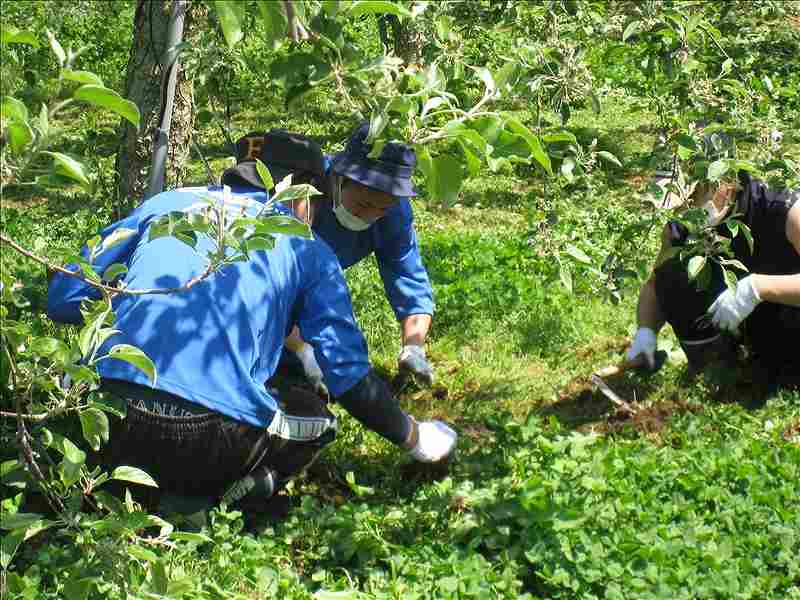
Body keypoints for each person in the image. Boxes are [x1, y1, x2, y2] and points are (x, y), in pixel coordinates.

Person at [46, 182, 457, 510]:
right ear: (303, 198)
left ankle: (107, 491)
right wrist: (413, 436)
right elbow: (348, 375)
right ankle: (223, 496)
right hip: (207, 437)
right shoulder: (307, 246)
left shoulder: (166, 202)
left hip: (98, 417)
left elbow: (63, 298)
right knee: (317, 420)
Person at [222, 123, 436, 392]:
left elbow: (409, 279)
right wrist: (304, 350)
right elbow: (262, 288)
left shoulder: (394, 213)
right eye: (363, 204)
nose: (371, 215)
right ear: (337, 178)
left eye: (383, 208)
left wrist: (413, 346)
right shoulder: (295, 192)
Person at [627, 170, 800, 391]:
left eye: (692, 196)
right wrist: (646, 331)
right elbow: (655, 283)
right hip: (756, 317)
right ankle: (717, 365)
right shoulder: (683, 224)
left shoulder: (783, 206)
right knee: (672, 272)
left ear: (725, 182)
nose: (685, 209)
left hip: (790, 306)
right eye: (680, 200)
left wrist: (758, 288)